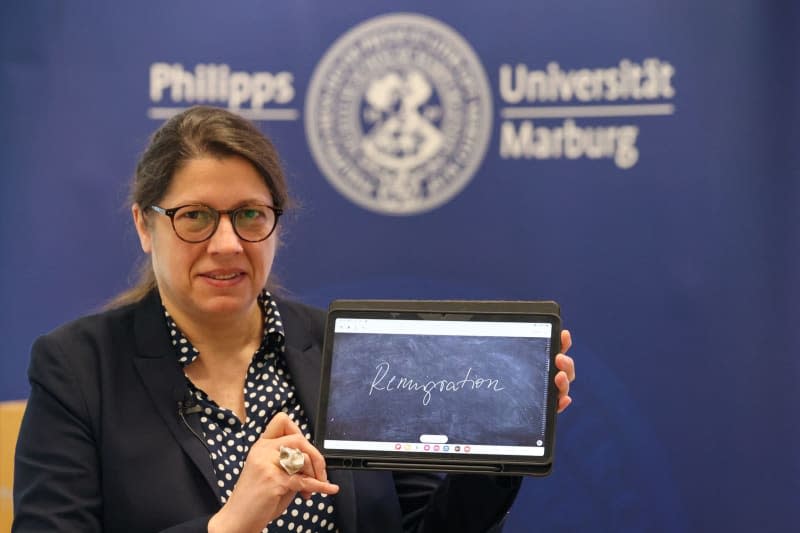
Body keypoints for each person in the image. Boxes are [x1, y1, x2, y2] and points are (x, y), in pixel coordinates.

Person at [12, 106, 576, 532]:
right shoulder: (78, 370)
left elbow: (425, 525)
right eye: (196, 217)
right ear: (144, 223)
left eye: (251, 215)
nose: (227, 244)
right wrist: (231, 522)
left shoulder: (346, 351)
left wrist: (502, 448)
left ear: (277, 223)